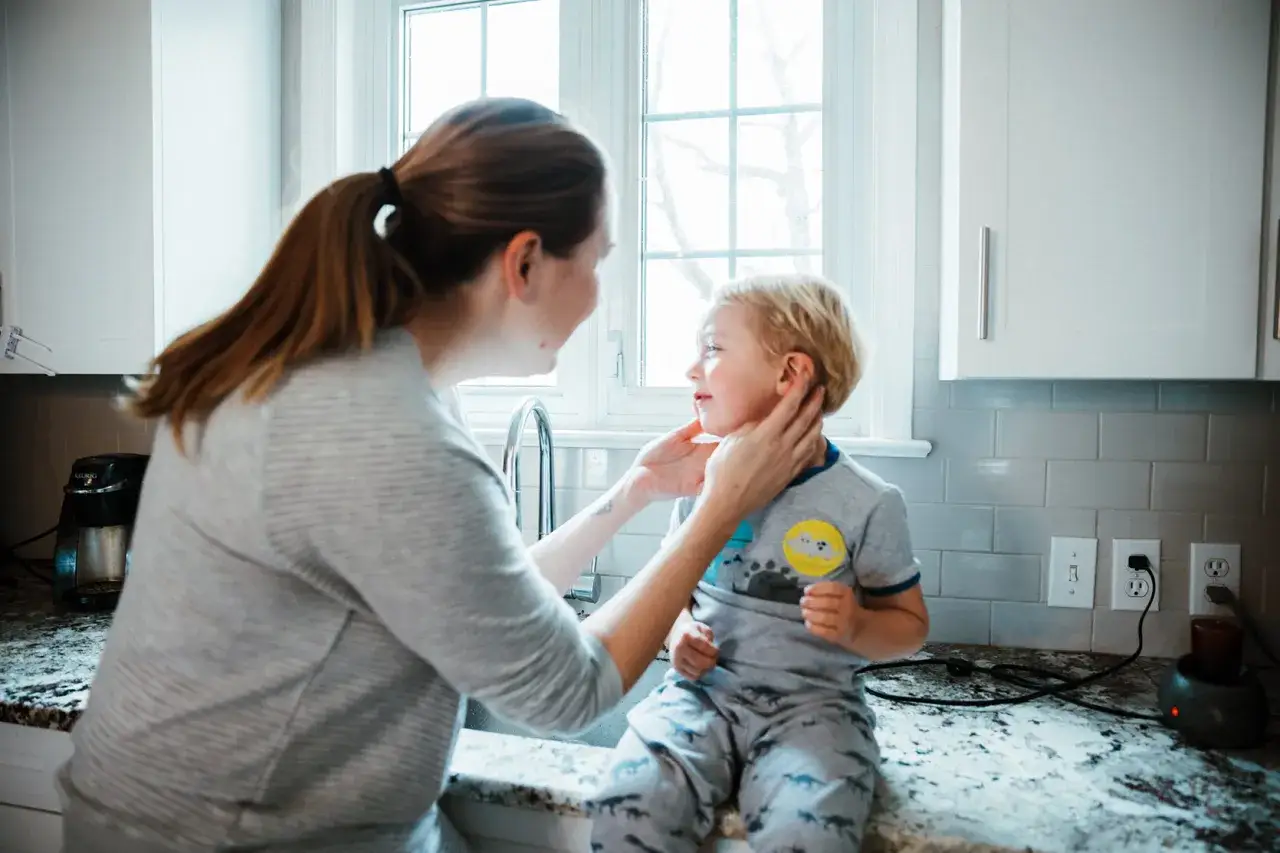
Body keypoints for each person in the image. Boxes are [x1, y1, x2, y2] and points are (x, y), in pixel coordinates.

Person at [56, 98, 825, 853]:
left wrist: (634, 496)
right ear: (523, 262)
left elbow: (480, 603)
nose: (600, 293)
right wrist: (719, 508)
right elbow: (567, 688)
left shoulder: (371, 374)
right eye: (597, 262)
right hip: (217, 835)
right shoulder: (391, 435)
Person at [588, 273, 930, 852]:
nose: (693, 370)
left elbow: (910, 627)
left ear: (791, 374)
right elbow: (677, 591)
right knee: (628, 802)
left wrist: (857, 625)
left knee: (809, 833)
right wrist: (678, 635)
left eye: (714, 349)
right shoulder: (706, 480)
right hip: (698, 699)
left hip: (815, 713)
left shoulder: (867, 501)